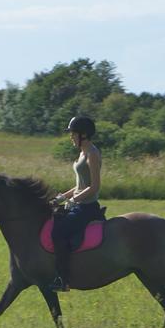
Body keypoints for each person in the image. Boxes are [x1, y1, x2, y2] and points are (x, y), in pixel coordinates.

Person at [49, 116, 103, 291]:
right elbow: (80, 185)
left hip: (87, 208)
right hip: (79, 204)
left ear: (84, 134)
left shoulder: (92, 154)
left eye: (73, 133)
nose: (71, 137)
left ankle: (62, 279)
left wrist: (73, 200)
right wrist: (61, 198)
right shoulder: (82, 153)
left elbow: (94, 187)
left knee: (58, 232)